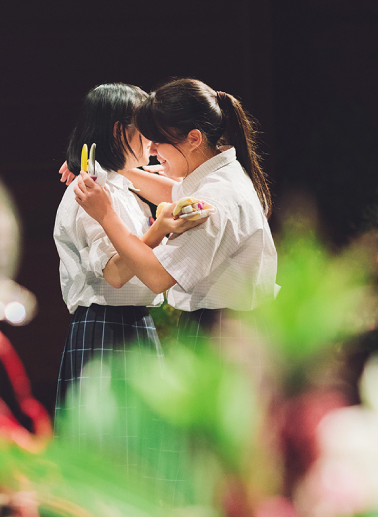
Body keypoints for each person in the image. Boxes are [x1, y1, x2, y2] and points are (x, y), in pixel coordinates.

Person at [71, 78, 279, 351]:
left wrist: (106, 214)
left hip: (221, 332)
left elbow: (157, 277)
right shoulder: (221, 176)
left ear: (194, 138)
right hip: (230, 325)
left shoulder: (216, 198)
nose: (152, 150)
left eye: (159, 141)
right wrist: (105, 167)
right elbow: (172, 192)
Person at [53, 83, 206, 440]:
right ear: (118, 131)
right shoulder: (89, 193)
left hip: (134, 323)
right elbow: (116, 274)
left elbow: (179, 190)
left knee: (142, 456)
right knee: (107, 454)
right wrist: (159, 229)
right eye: (146, 130)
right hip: (105, 327)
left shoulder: (120, 189)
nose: (153, 143)